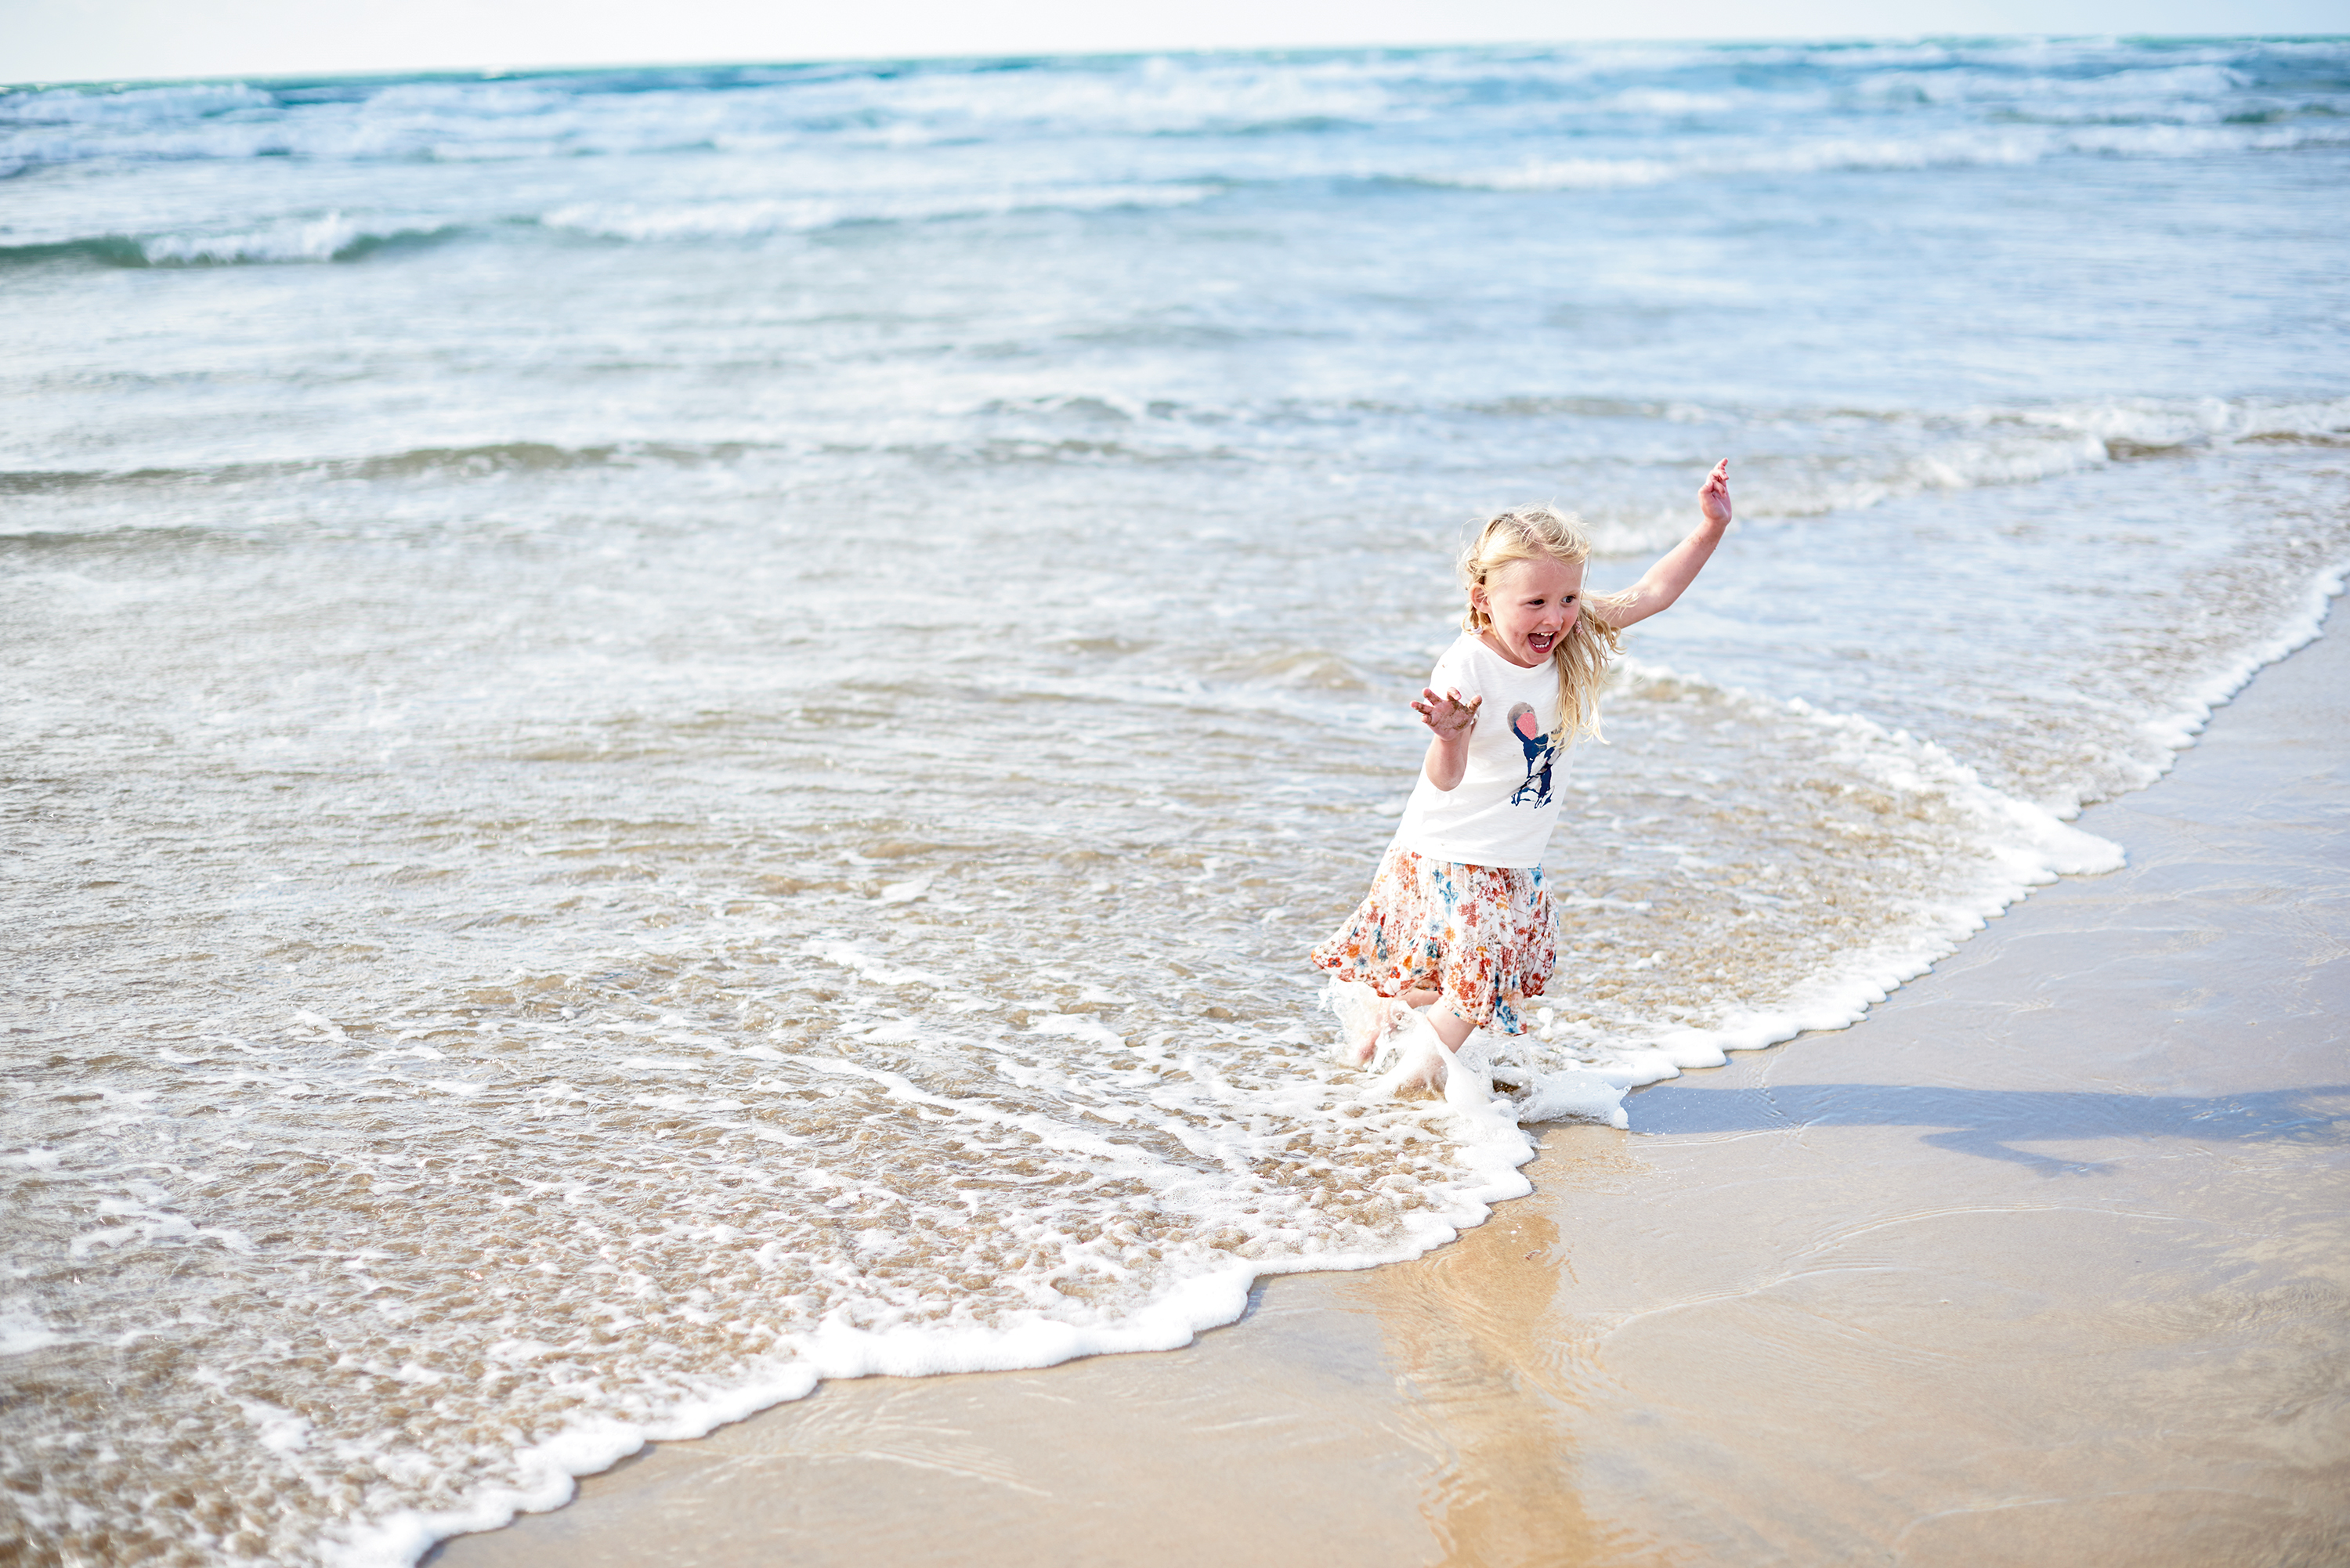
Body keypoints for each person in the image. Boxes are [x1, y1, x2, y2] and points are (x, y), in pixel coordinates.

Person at [1312, 460, 1734, 1082]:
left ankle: (1382, 1023)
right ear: (1483, 599)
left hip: (1509, 856)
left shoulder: (1572, 629)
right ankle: (1402, 1094)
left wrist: (1710, 526)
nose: (1555, 618)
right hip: (1454, 852)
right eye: (1535, 602)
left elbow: (1652, 592)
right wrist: (1449, 735)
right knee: (1474, 988)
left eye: (1568, 599)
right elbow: (1445, 779)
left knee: (1453, 977)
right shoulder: (1466, 668)